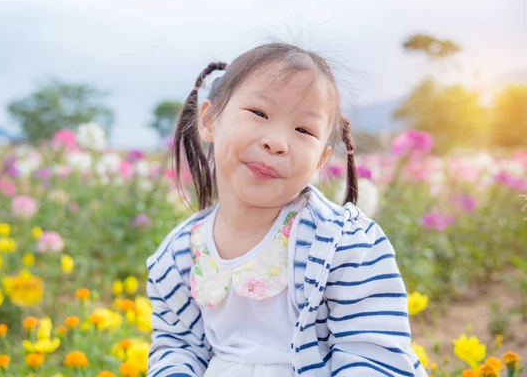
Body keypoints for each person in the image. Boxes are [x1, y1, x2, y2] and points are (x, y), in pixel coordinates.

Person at [146, 42, 428, 377]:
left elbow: (371, 354)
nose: (277, 142)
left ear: (320, 160)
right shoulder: (179, 255)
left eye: (304, 130)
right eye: (259, 113)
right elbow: (178, 346)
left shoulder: (344, 244)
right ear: (209, 120)